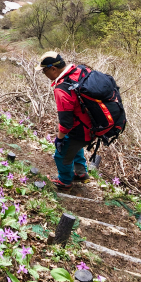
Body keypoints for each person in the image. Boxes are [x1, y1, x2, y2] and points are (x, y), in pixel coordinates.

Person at [36, 51, 92, 191]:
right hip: (93, 125)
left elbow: (66, 124)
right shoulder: (79, 70)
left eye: (44, 71)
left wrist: (59, 139)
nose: (44, 74)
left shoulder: (62, 89)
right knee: (75, 146)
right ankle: (81, 172)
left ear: (53, 69)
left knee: (61, 154)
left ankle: (65, 182)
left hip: (80, 128)